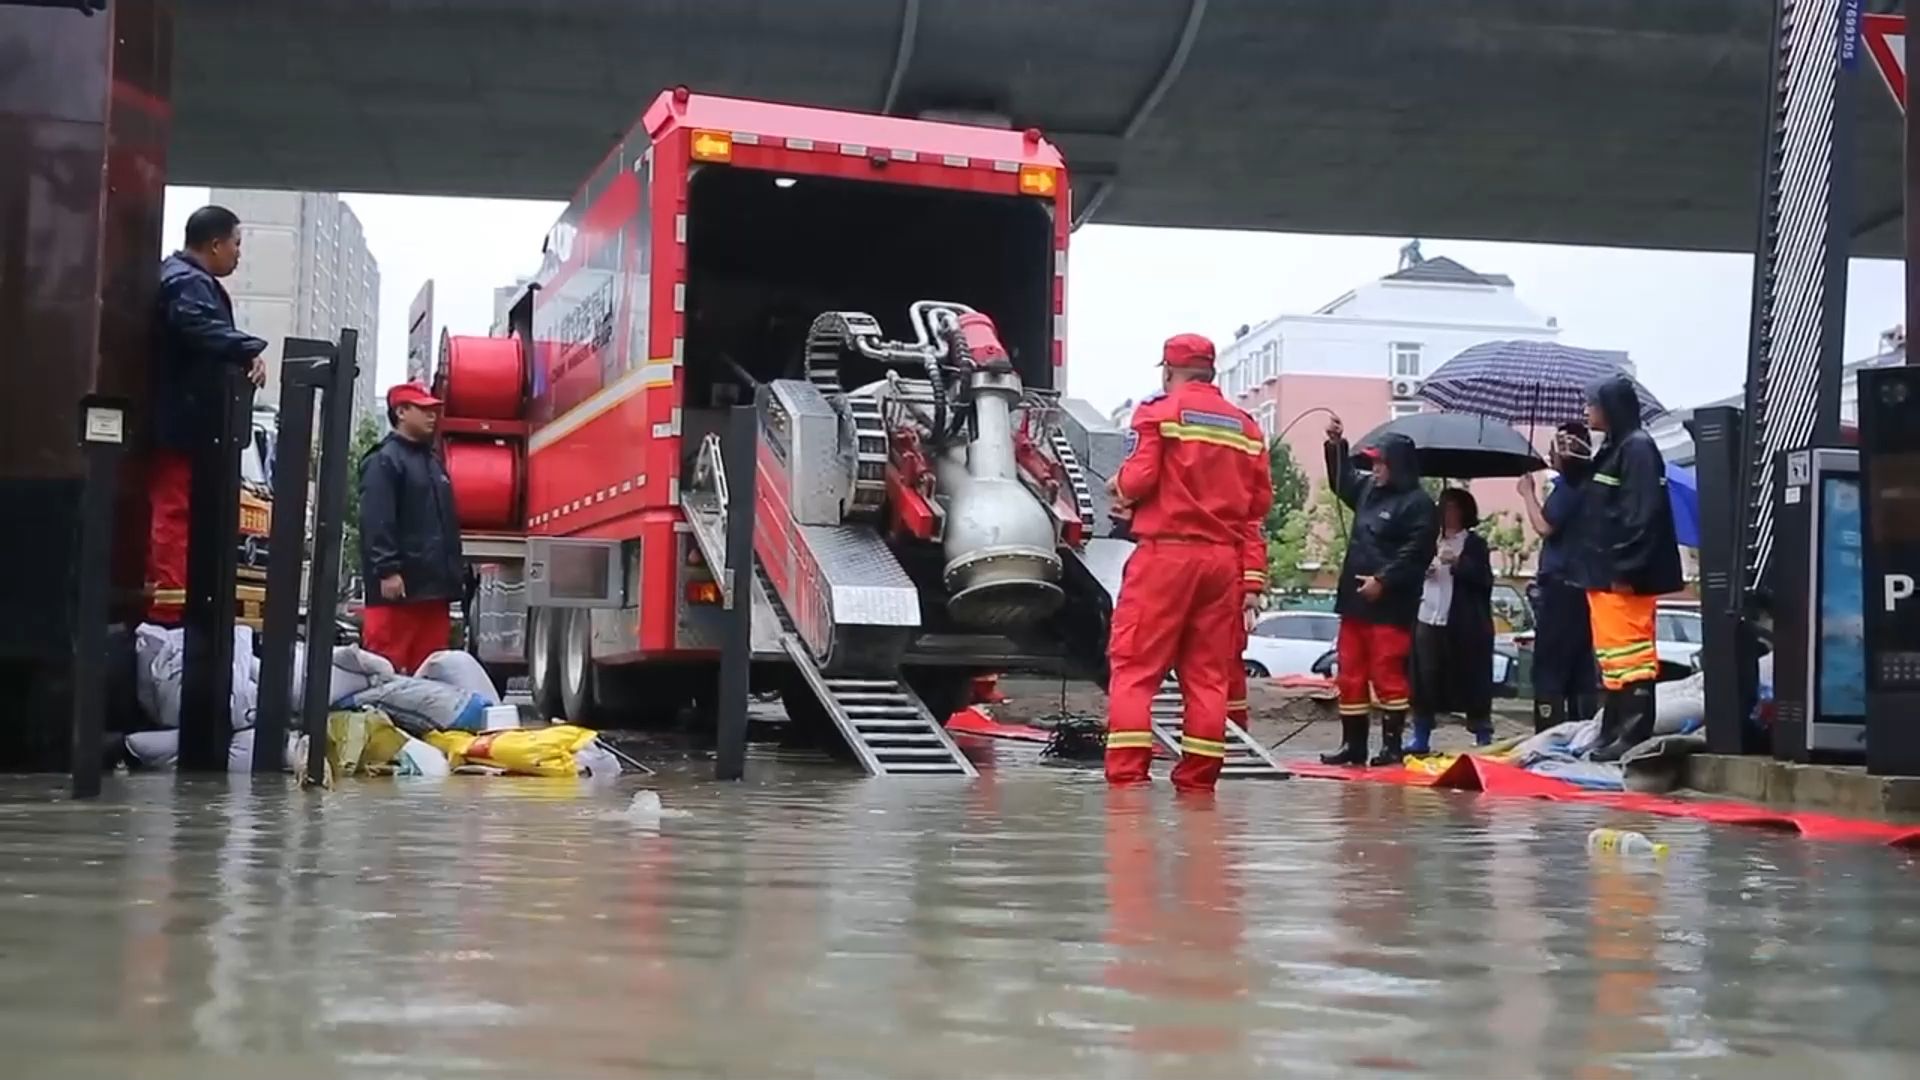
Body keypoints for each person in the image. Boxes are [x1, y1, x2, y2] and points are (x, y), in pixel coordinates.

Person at [1103, 333, 1271, 791]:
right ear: (1211, 371)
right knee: (1209, 678)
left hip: (1166, 555)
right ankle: (1198, 786)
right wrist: (1251, 580)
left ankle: (1128, 783)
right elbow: (1257, 511)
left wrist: (1117, 485)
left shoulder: (1159, 413)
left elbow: (1139, 479)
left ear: (1168, 371)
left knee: (1135, 670)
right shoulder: (1248, 429)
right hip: (1222, 563)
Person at [146, 206, 268, 623]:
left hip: (186, 420)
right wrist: (246, 346)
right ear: (215, 244)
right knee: (174, 513)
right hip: (180, 421)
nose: (238, 254)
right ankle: (170, 609)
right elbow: (194, 326)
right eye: (236, 244)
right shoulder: (186, 284)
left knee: (182, 513)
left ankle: (179, 601)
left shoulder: (185, 279)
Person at [1570, 374, 1684, 761]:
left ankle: (1633, 732)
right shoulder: (1614, 448)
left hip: (1622, 577)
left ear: (1610, 406)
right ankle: (1612, 729)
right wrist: (1570, 468)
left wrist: (1627, 568)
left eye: (1591, 403)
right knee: (1613, 659)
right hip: (1602, 574)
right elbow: (1599, 503)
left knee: (1632, 658)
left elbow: (1644, 515)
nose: (1586, 411)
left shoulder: (1637, 448)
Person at [1320, 416, 1438, 766]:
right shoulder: (1369, 490)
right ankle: (1353, 745)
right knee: (1350, 673)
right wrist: (1336, 446)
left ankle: (1392, 746)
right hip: (1355, 602)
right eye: (1372, 462)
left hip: (1390, 606)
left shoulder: (1419, 505)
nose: (1374, 468)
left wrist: (1383, 581)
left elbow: (1415, 553)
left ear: (1397, 465)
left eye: (1380, 462)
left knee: (1387, 673)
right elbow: (1342, 481)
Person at [358, 382, 464, 675]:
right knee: (385, 673)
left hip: (432, 593)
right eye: (424, 409)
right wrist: (387, 570)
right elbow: (376, 518)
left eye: (435, 410)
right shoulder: (384, 460)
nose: (433, 416)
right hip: (398, 594)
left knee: (430, 675)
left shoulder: (433, 463)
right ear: (401, 412)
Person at [1516, 423, 1601, 732]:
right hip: (1582, 586)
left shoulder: (1569, 490)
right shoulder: (1593, 488)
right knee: (1580, 664)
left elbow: (1545, 526)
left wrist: (1528, 495)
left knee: (1550, 665)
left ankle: (1549, 732)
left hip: (1561, 587)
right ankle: (1582, 729)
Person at [1406, 488, 1495, 753]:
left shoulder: (1474, 544)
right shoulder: (1427, 541)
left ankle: (1482, 734)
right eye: (1445, 508)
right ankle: (1421, 733)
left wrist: (1457, 563)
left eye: (1455, 509)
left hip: (1463, 624)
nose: (1449, 515)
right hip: (1427, 617)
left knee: (1471, 679)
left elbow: (1484, 579)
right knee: (1424, 680)